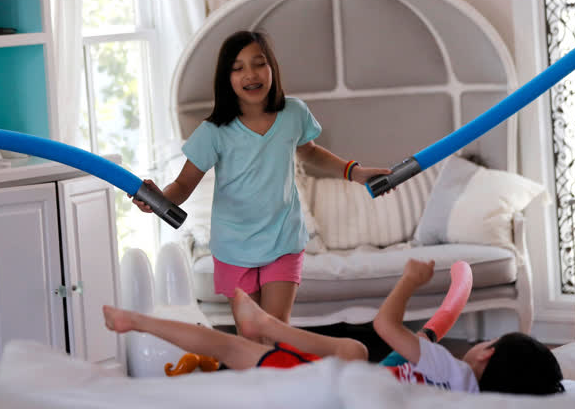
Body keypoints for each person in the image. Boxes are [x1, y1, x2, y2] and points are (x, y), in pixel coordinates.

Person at [131, 30, 392, 326]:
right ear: (225, 78)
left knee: (276, 328)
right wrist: (158, 199)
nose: (251, 74)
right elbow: (183, 185)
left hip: (284, 238)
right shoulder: (214, 131)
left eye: (259, 63)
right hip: (233, 246)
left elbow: (311, 153)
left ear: (272, 69)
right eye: (238, 68)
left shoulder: (294, 113)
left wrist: (354, 172)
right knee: (253, 334)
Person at [103, 258, 565, 395]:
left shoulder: (451, 367)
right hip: (350, 385)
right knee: (355, 356)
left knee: (225, 346)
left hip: (322, 389)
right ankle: (262, 321)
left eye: (489, 341)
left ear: (486, 353)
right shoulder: (468, 397)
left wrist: (409, 281)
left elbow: (385, 324)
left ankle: (139, 320)